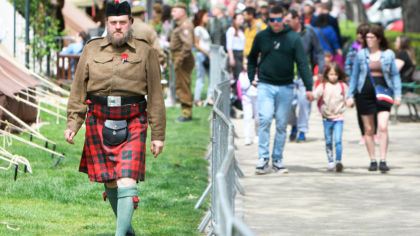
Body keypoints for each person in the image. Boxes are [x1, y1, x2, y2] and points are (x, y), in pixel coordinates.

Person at [64, 1, 165, 235]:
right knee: (109, 180)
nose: (118, 27)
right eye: (113, 23)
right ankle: (128, 232)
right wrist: (73, 123)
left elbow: (156, 97)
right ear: (106, 24)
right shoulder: (91, 49)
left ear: (130, 22)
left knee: (126, 178)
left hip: (133, 120)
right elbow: (79, 88)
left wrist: (157, 135)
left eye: (122, 22)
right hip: (98, 119)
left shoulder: (145, 51)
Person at [247, 6, 313, 175]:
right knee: (265, 119)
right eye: (272, 20)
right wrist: (251, 77)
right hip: (265, 84)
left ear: (283, 19)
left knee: (282, 124)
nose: (275, 23)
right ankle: (263, 158)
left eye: (278, 20)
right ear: (268, 20)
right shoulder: (262, 36)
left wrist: (309, 87)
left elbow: (302, 63)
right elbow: (252, 57)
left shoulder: (293, 38)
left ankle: (277, 159)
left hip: (286, 86)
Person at [346, 25, 402, 172]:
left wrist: (398, 94)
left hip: (383, 92)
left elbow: (395, 75)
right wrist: (350, 95)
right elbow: (355, 76)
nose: (368, 40)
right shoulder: (361, 54)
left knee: (383, 127)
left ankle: (383, 159)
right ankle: (372, 159)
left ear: (378, 38)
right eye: (367, 37)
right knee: (369, 129)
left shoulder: (388, 54)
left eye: (372, 37)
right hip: (365, 93)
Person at [284, 8, 325, 142]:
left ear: (297, 19)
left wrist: (321, 69)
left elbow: (319, 52)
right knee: (287, 103)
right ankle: (294, 124)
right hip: (288, 73)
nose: (286, 23)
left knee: (304, 101)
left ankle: (302, 130)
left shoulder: (309, 31)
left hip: (304, 74)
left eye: (288, 21)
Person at [344, 23, 379, 145]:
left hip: (373, 84)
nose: (359, 35)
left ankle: (374, 132)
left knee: (374, 109)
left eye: (362, 34)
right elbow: (348, 64)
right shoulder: (353, 47)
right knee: (361, 110)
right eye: (358, 33)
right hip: (358, 84)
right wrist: (350, 78)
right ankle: (364, 134)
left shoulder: (373, 50)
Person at [313, 62, 348, 172]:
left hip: (339, 117)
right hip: (326, 118)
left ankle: (338, 161)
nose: (333, 77)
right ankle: (330, 161)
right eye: (331, 74)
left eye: (335, 74)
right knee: (328, 141)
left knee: (337, 140)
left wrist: (350, 102)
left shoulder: (342, 86)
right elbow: (315, 95)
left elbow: (348, 98)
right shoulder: (323, 86)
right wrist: (309, 96)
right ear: (327, 74)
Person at [170, 2, 195, 122]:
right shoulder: (181, 24)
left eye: (175, 11)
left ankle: (186, 113)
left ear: (182, 12)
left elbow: (188, 44)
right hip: (181, 57)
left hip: (182, 59)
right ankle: (186, 112)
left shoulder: (185, 25)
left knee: (183, 85)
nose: (172, 14)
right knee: (182, 85)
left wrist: (180, 59)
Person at [193, 10, 211, 107]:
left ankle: (209, 98)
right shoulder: (198, 29)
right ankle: (197, 99)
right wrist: (207, 53)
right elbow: (196, 44)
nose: (208, 18)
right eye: (206, 16)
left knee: (210, 78)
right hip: (201, 55)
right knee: (201, 78)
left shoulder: (204, 28)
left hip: (207, 55)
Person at [238, 60, 259, 145]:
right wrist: (251, 79)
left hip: (257, 97)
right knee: (247, 117)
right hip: (246, 97)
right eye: (245, 64)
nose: (247, 65)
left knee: (258, 118)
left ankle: (258, 135)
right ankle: (247, 137)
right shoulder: (242, 75)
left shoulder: (258, 74)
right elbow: (243, 86)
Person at [226, 13, 246, 82]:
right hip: (235, 54)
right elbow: (229, 45)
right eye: (240, 19)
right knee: (238, 76)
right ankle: (236, 92)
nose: (242, 21)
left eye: (242, 19)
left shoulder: (241, 31)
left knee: (240, 75)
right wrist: (231, 58)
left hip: (241, 54)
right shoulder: (231, 30)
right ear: (234, 20)